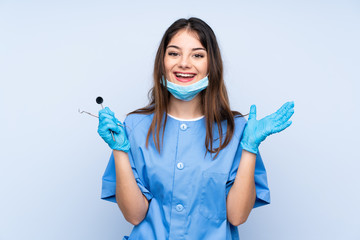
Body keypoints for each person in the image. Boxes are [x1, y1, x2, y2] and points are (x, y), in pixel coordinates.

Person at [97, 17, 294, 240]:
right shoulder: (134, 127)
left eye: (197, 55)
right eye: (174, 53)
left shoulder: (236, 131)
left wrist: (249, 148)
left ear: (212, 65)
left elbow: (237, 216)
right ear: (162, 61)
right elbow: (134, 215)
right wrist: (119, 151)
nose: (184, 63)